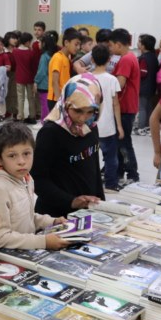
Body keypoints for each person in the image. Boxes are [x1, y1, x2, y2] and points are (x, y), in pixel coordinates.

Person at [0, 122, 68, 249]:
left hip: (27, 249)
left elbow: (26, 217)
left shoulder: (26, 178)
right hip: (9, 257)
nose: (21, 162)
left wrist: (51, 222)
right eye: (12, 156)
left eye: (26, 153)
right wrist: (43, 242)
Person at [31, 74, 104, 217]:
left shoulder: (91, 127)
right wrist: (71, 201)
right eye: (77, 111)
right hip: (56, 216)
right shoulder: (50, 133)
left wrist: (101, 206)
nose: (83, 118)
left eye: (90, 112)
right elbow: (38, 179)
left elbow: (94, 169)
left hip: (87, 212)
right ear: (66, 103)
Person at [109, 28, 141, 186]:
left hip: (125, 108)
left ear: (118, 44)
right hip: (127, 107)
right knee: (120, 142)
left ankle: (133, 174)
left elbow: (119, 84)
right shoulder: (130, 57)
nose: (110, 49)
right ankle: (120, 171)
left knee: (124, 143)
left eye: (111, 45)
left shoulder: (126, 60)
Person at [90, 44, 124, 192]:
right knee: (111, 158)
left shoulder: (87, 78)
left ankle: (91, 184)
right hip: (108, 127)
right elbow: (116, 104)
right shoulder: (112, 80)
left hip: (90, 126)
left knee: (89, 158)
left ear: (91, 59)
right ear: (109, 60)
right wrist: (120, 126)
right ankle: (110, 184)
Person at [49, 30, 80, 109]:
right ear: (66, 43)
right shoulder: (57, 57)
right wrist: (60, 102)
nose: (78, 47)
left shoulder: (66, 58)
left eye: (79, 45)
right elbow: (55, 82)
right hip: (55, 99)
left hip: (63, 98)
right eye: (76, 44)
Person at [13, 32, 37, 124]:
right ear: (27, 42)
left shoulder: (15, 51)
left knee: (20, 97)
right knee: (31, 98)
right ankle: (32, 116)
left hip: (19, 76)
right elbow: (33, 66)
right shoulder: (31, 52)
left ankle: (20, 116)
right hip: (30, 77)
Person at [34, 32, 57, 121]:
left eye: (40, 42)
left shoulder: (44, 56)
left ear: (44, 43)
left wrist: (36, 81)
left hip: (44, 85)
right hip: (52, 85)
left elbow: (41, 72)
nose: (38, 44)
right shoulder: (55, 55)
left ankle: (45, 121)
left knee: (44, 105)